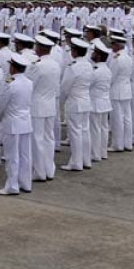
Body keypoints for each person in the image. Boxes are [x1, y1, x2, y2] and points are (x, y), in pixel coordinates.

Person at [0, 52, 34, 196]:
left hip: (12, 123)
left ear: (14, 68)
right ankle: (26, 183)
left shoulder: (10, 84)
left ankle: (12, 185)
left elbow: (1, 104)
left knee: (12, 156)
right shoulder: (29, 83)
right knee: (25, 155)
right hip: (26, 122)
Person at [26, 35, 62, 182]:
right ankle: (49, 169)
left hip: (37, 106)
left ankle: (39, 171)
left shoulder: (37, 65)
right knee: (49, 138)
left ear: (39, 48)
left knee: (37, 139)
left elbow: (29, 85)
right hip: (50, 105)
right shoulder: (55, 64)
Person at [60, 38, 93, 172]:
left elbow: (64, 88)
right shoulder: (88, 65)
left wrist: (60, 102)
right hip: (86, 100)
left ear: (74, 51)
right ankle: (86, 160)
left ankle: (76, 162)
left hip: (74, 101)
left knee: (75, 133)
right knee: (85, 131)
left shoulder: (73, 67)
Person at [89, 41, 112, 162]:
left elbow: (88, 85)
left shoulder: (96, 71)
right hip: (105, 102)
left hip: (95, 103)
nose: (92, 54)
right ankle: (103, 152)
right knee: (103, 128)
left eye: (94, 52)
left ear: (99, 55)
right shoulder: (107, 69)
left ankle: (95, 154)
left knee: (95, 129)